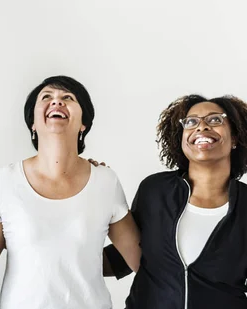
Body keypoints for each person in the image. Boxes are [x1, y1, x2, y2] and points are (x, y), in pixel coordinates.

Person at [0, 75, 141, 309]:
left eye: (68, 97)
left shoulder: (105, 181)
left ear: (83, 123)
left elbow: (142, 262)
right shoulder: (4, 181)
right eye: (46, 97)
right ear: (32, 123)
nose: (56, 102)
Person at [104, 95, 247, 308]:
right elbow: (124, 257)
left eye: (215, 120)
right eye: (191, 122)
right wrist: (89, 188)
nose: (201, 127)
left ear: (234, 138)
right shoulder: (154, 190)